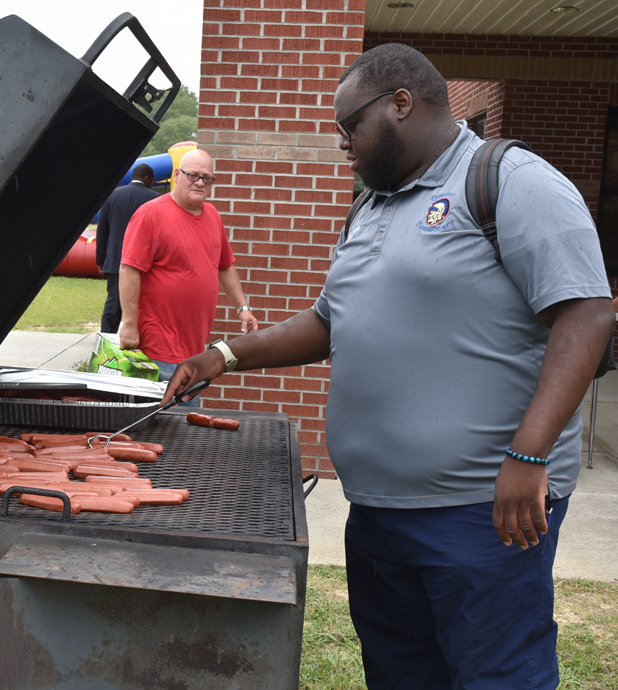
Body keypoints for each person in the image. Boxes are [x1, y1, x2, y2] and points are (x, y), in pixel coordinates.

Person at [162, 43, 615, 690]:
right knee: (400, 672)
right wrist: (224, 356)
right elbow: (327, 321)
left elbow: (586, 315)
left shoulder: (508, 180)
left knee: (496, 676)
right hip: (377, 512)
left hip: (481, 511)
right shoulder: (370, 206)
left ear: (402, 103)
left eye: (351, 126)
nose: (343, 143)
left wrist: (531, 453)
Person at [118, 149, 258, 396]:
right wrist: (129, 323)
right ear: (176, 175)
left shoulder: (212, 216)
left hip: (195, 351)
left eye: (207, 178)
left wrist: (243, 307)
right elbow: (130, 269)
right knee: (156, 427)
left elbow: (224, 265)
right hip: (156, 350)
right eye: (193, 175)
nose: (200, 182)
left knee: (181, 429)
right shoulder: (150, 214)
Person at [95, 163, 159, 333]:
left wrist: (101, 260)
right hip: (145, 263)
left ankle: (106, 342)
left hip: (116, 260)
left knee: (113, 304)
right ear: (147, 178)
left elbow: (102, 231)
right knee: (143, 304)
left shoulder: (112, 196)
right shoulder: (155, 199)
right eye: (152, 180)